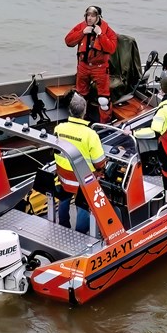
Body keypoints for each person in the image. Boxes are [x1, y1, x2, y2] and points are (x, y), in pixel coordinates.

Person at [52, 93, 106, 233]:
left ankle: (63, 225)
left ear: (70, 111)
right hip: (83, 182)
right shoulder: (90, 135)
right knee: (84, 204)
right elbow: (99, 163)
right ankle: (81, 232)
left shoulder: (59, 128)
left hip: (64, 178)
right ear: (84, 112)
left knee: (63, 198)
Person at [64, 5, 118, 122]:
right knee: (79, 97)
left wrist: (101, 34)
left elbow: (112, 48)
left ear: (98, 17)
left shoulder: (107, 31)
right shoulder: (81, 27)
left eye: (93, 16)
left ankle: (105, 124)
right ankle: (78, 121)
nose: (89, 18)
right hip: (83, 66)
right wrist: (82, 32)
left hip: (100, 68)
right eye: (87, 15)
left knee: (103, 100)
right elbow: (68, 41)